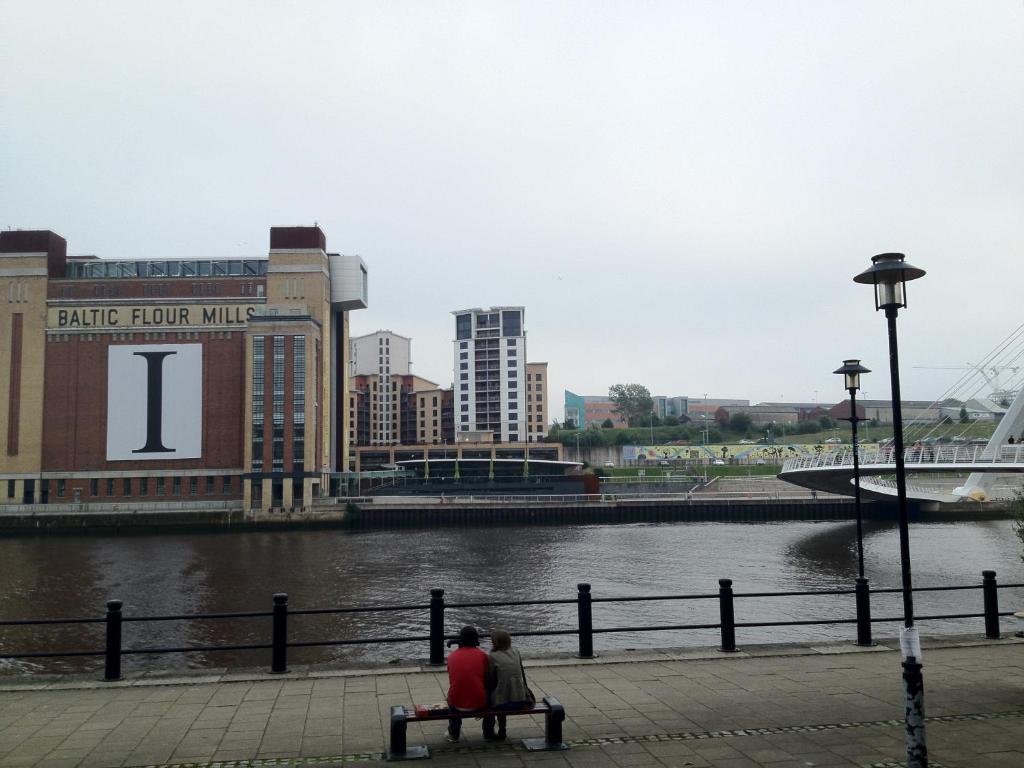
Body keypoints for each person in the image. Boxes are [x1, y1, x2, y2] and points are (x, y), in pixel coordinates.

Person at [483, 628, 533, 741]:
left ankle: (488, 732)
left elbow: (490, 680)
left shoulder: (492, 656)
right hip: (520, 699)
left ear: (494, 642)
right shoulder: (516, 651)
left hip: (503, 703)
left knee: (489, 699)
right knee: (503, 692)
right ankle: (502, 729)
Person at [445, 625, 488, 742]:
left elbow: (452, 678)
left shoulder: (451, 657)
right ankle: (488, 732)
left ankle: (454, 733)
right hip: (480, 702)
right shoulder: (483, 656)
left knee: (451, 693)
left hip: (457, 702)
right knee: (488, 690)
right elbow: (487, 678)